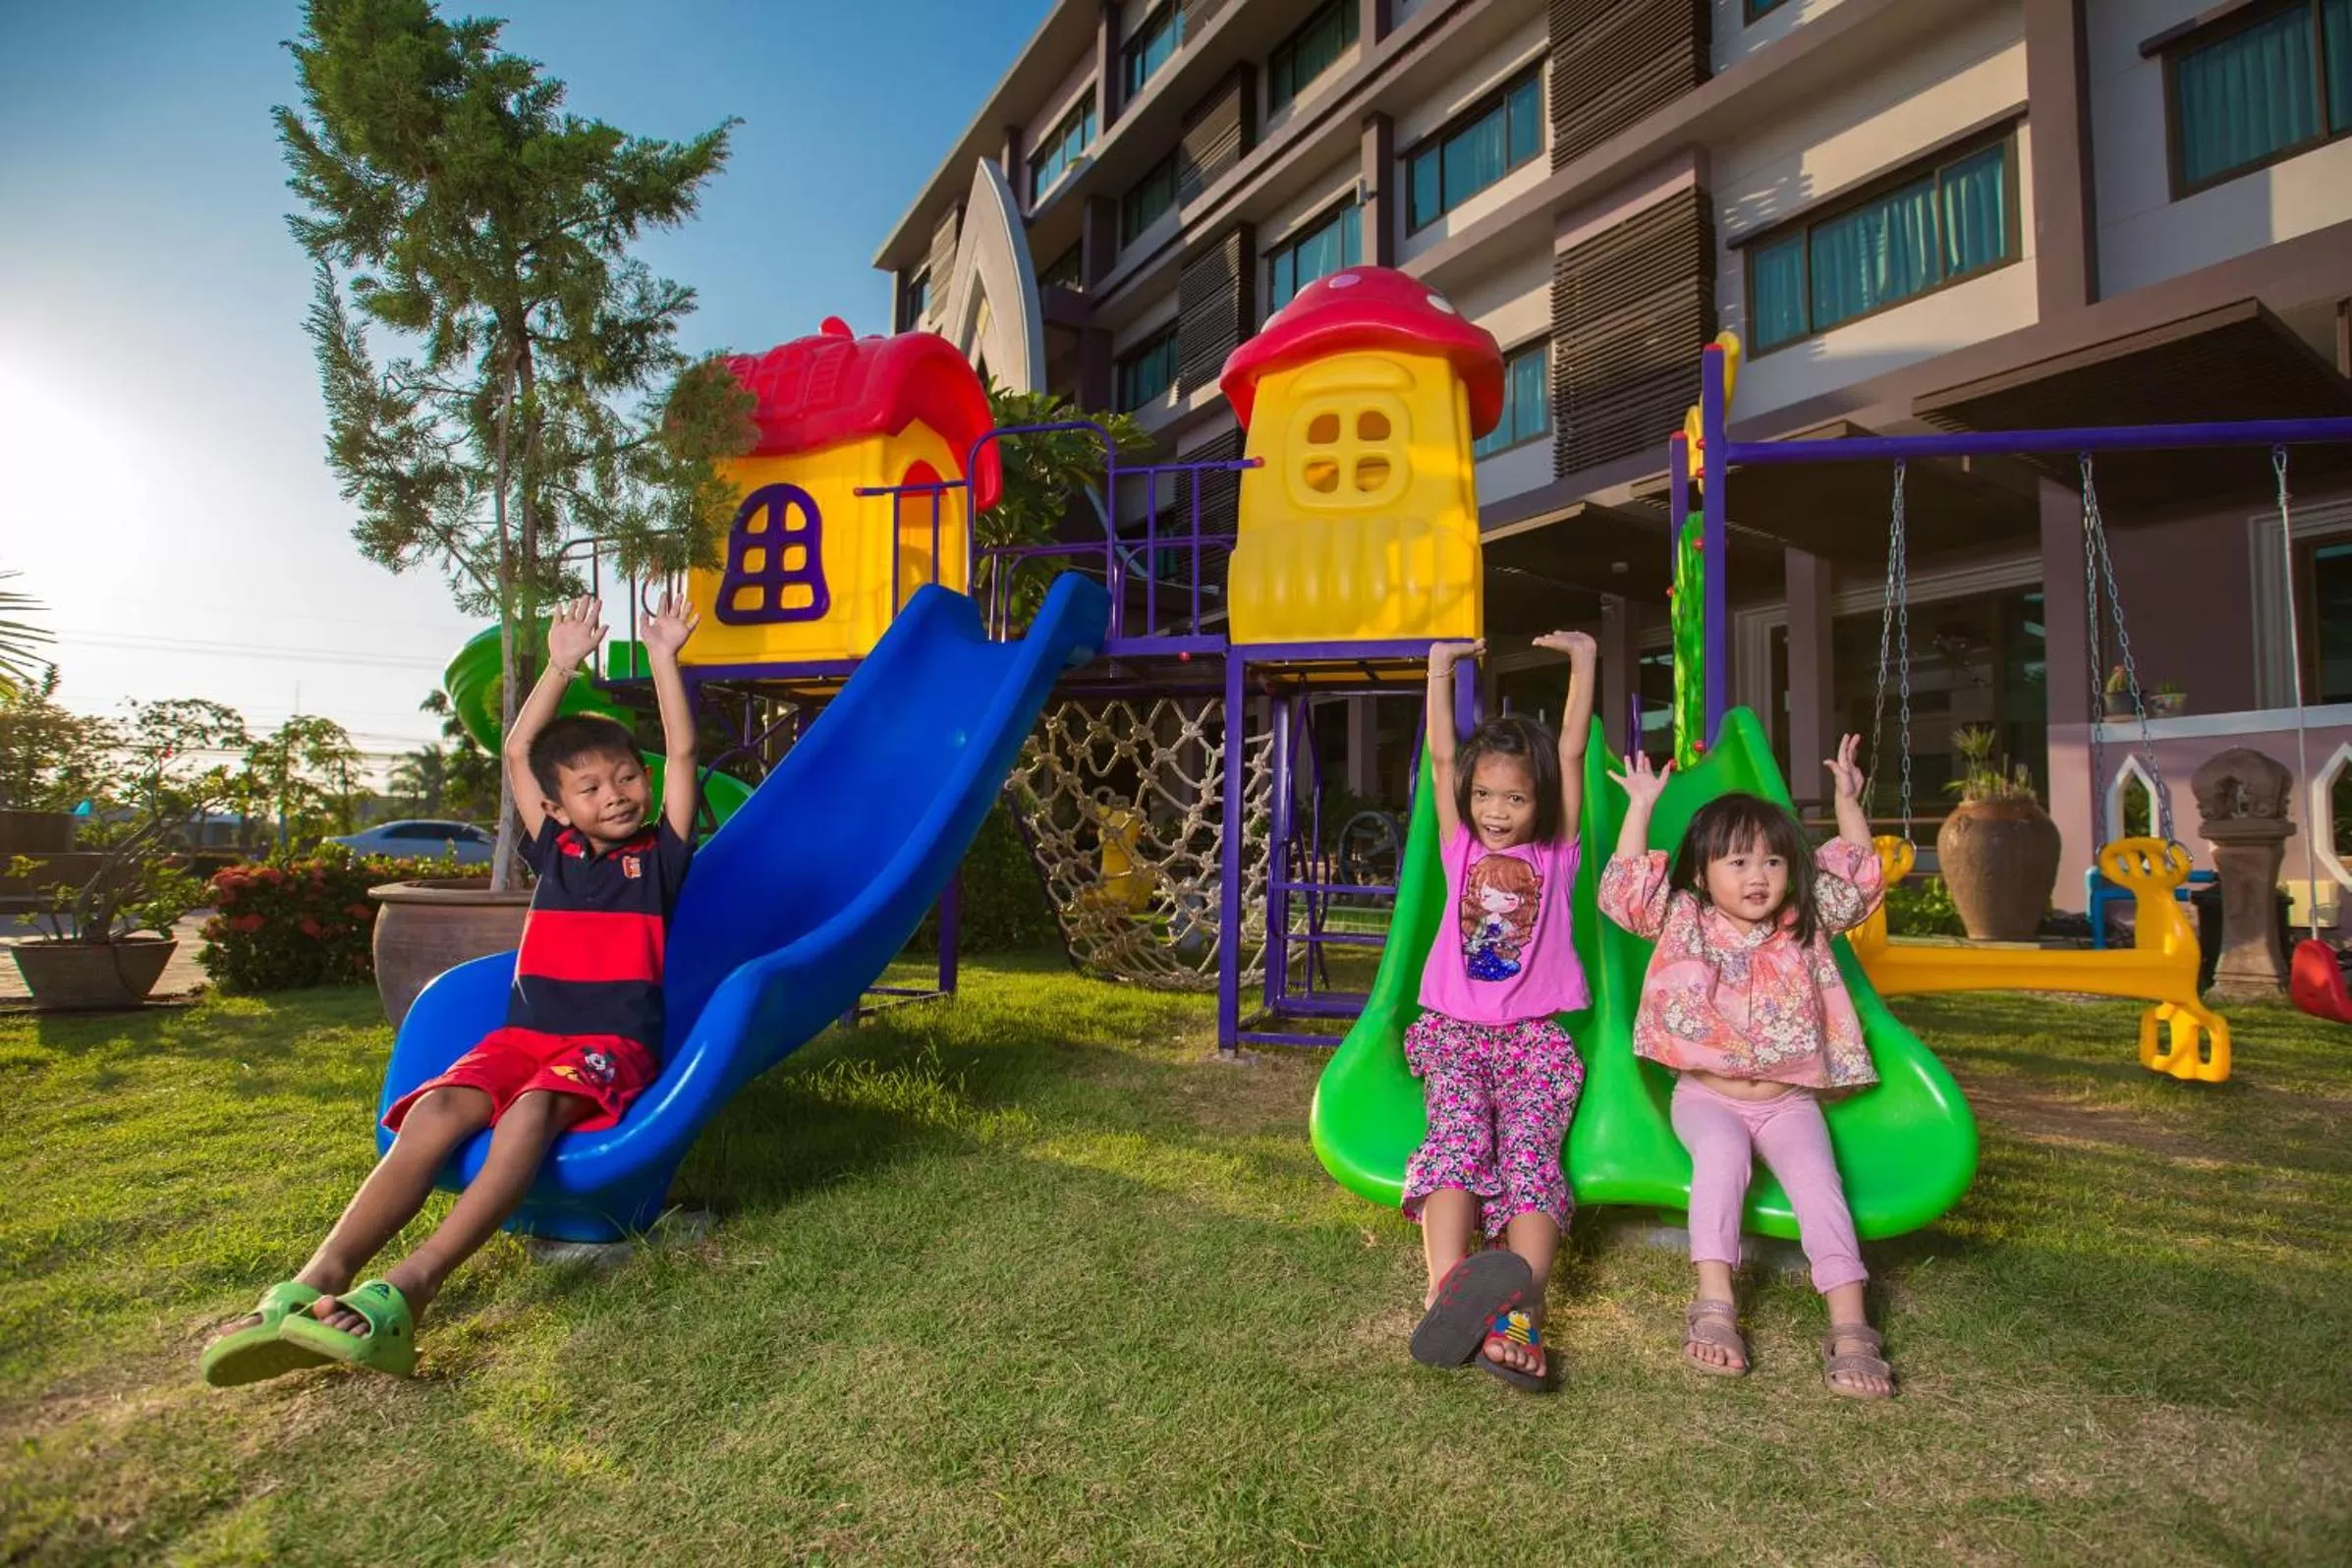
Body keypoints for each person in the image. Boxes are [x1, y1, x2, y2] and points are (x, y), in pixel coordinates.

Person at [200, 590, 702, 1384]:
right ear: (557, 806)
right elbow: (515, 752)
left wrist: (666, 659)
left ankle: (413, 1285)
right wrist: (559, 665)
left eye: (623, 777)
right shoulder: (556, 853)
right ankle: (320, 1277)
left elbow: (680, 756)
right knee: (436, 1109)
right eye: (589, 786)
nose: (614, 793)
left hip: (609, 1047)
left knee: (533, 1109)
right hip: (520, 1038)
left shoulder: (660, 856)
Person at [1596, 736, 1897, 1399]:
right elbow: (1623, 896)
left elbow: (1858, 881)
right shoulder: (1683, 919)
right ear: (1704, 874)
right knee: (1722, 1160)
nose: (1757, 875)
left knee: (1820, 1183)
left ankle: (1850, 1326)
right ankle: (1715, 1304)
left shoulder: (1804, 921)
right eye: (1737, 862)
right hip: (1706, 1097)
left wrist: (1849, 803)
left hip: (1789, 1101)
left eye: (1771, 862)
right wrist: (1642, 807)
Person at [1403, 633, 1596, 1394]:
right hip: (1452, 1029)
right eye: (1485, 796)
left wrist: (1584, 664)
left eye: (1514, 797)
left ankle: (1521, 1310)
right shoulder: (1457, 847)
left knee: (1528, 1155)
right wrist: (1438, 668)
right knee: (1455, 1138)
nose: (1496, 811)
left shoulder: (1557, 855)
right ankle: (1448, 1289)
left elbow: (1573, 752)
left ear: (1540, 800)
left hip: (1535, 1040)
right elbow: (1443, 755)